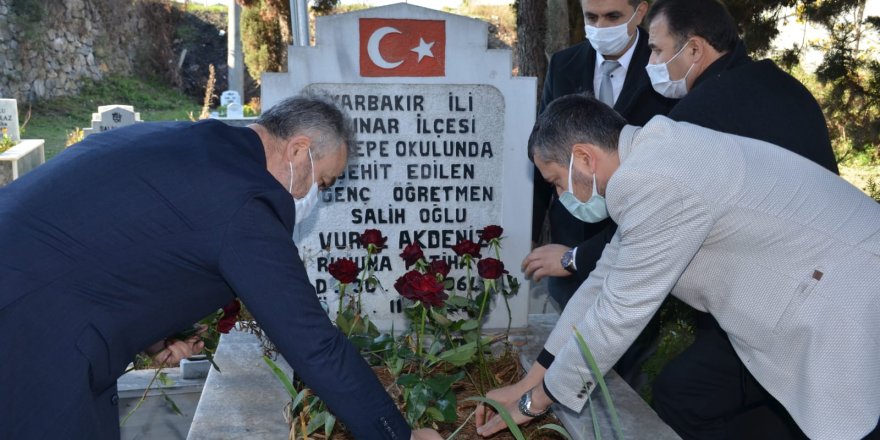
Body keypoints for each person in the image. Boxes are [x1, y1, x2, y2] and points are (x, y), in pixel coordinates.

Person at [0, 95, 440, 440]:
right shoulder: (245, 205)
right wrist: (398, 435)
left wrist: (153, 331)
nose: (316, 195)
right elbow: (316, 346)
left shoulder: (194, 142)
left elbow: (116, 236)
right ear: (299, 149)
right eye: (322, 180)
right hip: (32, 336)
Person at [476, 94, 880, 440]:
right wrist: (529, 382)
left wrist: (532, 404)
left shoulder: (656, 181)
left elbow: (618, 315)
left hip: (845, 296)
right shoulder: (650, 158)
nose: (561, 195)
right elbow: (601, 286)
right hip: (818, 288)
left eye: (556, 182)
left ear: (583, 157)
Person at [642, 0, 840, 436]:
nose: (651, 63)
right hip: (830, 282)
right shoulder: (784, 85)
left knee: (683, 394)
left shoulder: (700, 113)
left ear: (693, 50)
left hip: (780, 302)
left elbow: (651, 219)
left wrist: (576, 257)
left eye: (657, 51)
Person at [525, 0, 677, 390]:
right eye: (591, 17)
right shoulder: (565, 63)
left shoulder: (666, 64)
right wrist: (532, 227)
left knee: (624, 348)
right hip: (570, 232)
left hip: (641, 229)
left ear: (639, 12)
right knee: (571, 324)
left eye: (612, 17)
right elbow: (546, 151)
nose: (599, 27)